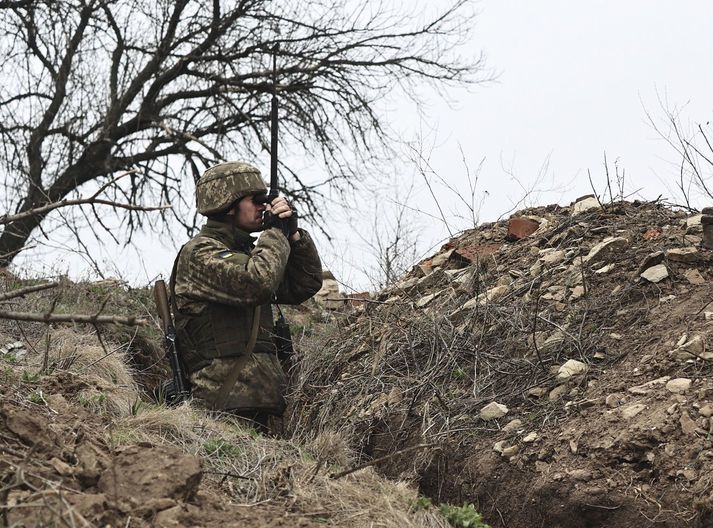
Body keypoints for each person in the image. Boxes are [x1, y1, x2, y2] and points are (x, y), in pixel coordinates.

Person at [170, 161, 322, 431]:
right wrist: (275, 233)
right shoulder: (200, 254)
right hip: (220, 407)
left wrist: (294, 235)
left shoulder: (250, 254)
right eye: (256, 200)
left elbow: (305, 284)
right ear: (228, 205)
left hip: (260, 402)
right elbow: (258, 281)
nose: (264, 206)